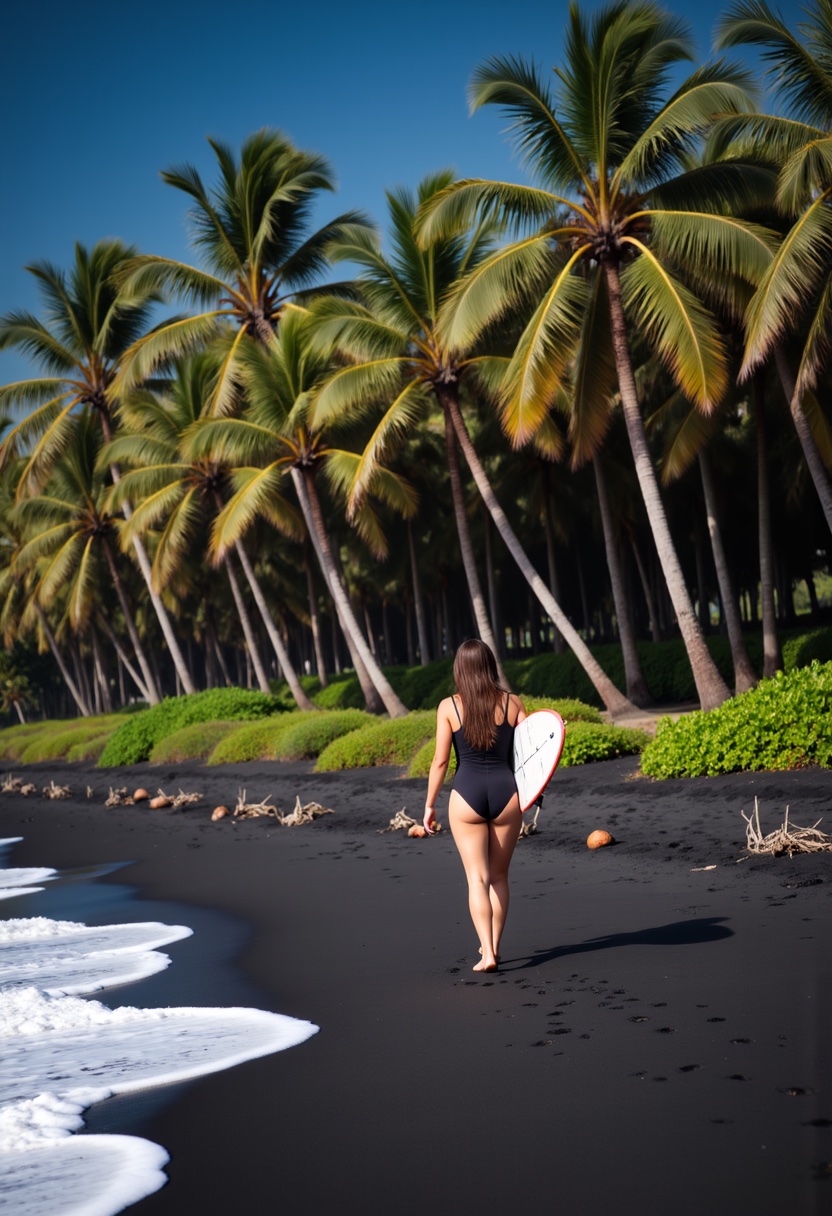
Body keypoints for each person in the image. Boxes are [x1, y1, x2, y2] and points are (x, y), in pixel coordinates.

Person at [424, 639, 527, 972]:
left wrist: (429, 805)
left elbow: (440, 762)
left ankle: (487, 954)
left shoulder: (448, 707)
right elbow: (530, 755)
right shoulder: (513, 703)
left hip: (466, 794)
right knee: (499, 877)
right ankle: (494, 946)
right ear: (489, 665)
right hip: (506, 794)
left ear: (459, 669)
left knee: (477, 878)